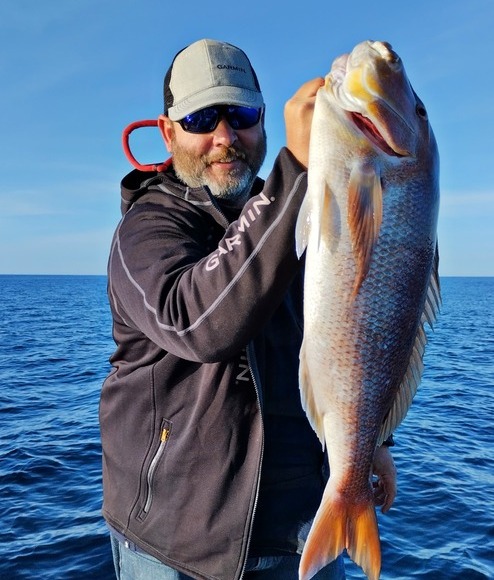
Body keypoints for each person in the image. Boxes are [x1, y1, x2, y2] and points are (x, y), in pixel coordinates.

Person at [100, 38, 397, 580]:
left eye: (241, 114)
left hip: (303, 528)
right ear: (168, 133)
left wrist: (370, 439)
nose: (224, 137)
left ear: (263, 120)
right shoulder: (147, 229)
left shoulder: (295, 207)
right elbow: (195, 324)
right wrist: (295, 176)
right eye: (200, 117)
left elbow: (351, 322)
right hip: (179, 548)